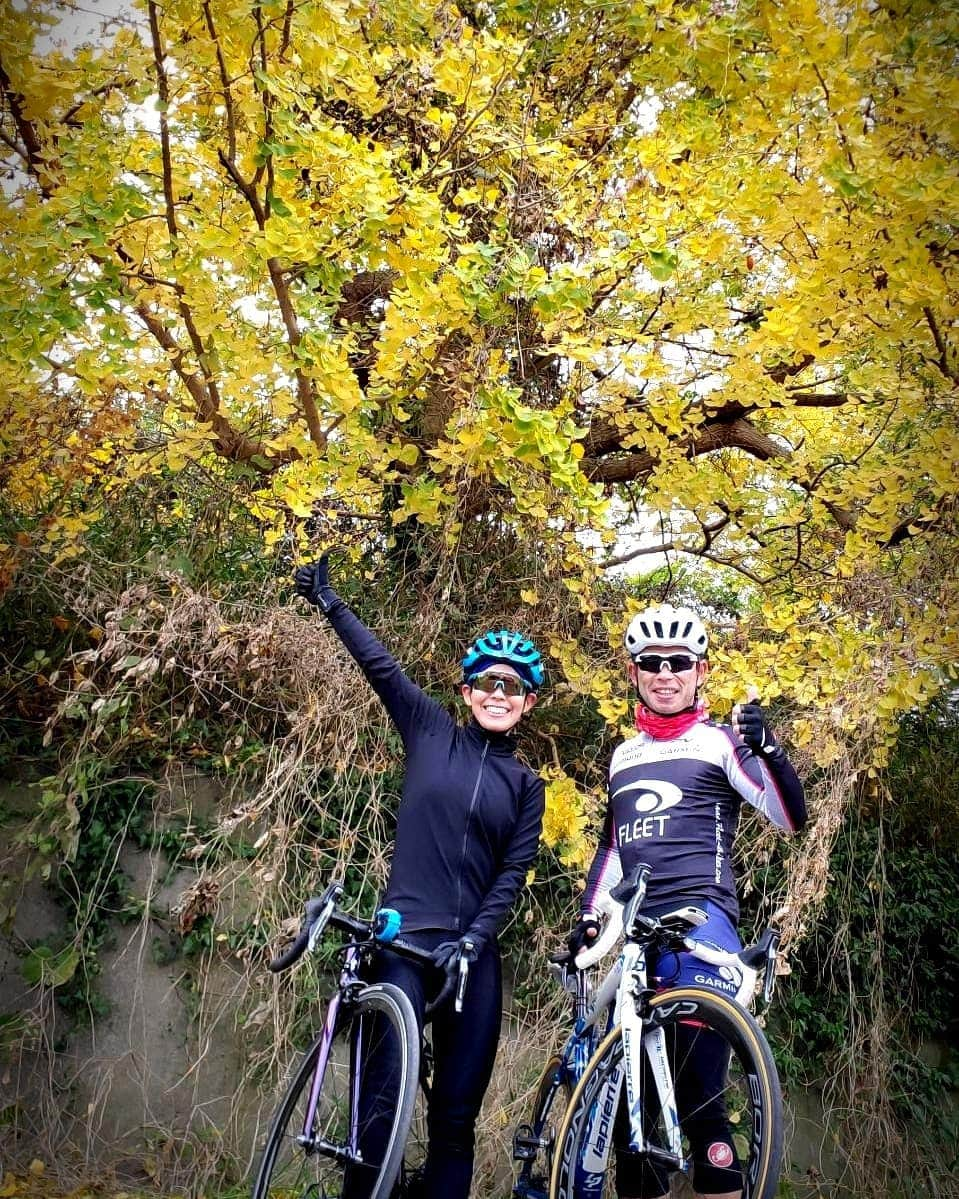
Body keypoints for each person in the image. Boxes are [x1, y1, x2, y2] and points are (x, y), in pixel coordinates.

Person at [294, 556, 546, 1199]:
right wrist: (332, 604)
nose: (498, 693)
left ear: (527, 704)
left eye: (513, 687)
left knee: (454, 1123)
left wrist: (476, 937)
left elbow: (512, 872)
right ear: (466, 692)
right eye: (487, 682)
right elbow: (382, 670)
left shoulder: (527, 785)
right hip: (403, 941)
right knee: (376, 1114)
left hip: (471, 954)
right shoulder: (431, 731)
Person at [566, 602, 806, 1199]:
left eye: (679, 662)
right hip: (638, 932)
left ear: (701, 671)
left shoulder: (721, 743)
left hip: (704, 923)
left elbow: (787, 817)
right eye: (652, 662)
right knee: (632, 1120)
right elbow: (611, 850)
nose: (665, 672)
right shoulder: (622, 757)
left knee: (702, 1098)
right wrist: (592, 920)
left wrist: (770, 749)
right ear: (634, 674)